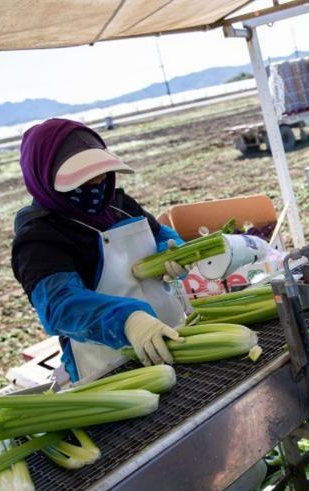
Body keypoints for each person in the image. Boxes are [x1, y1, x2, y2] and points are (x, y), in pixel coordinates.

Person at [12, 118, 189, 383]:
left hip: (175, 337)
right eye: (82, 177)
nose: (96, 183)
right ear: (43, 176)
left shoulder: (120, 205)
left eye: (101, 172)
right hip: (111, 368)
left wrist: (173, 252)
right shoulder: (39, 238)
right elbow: (60, 305)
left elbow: (163, 235)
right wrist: (127, 320)